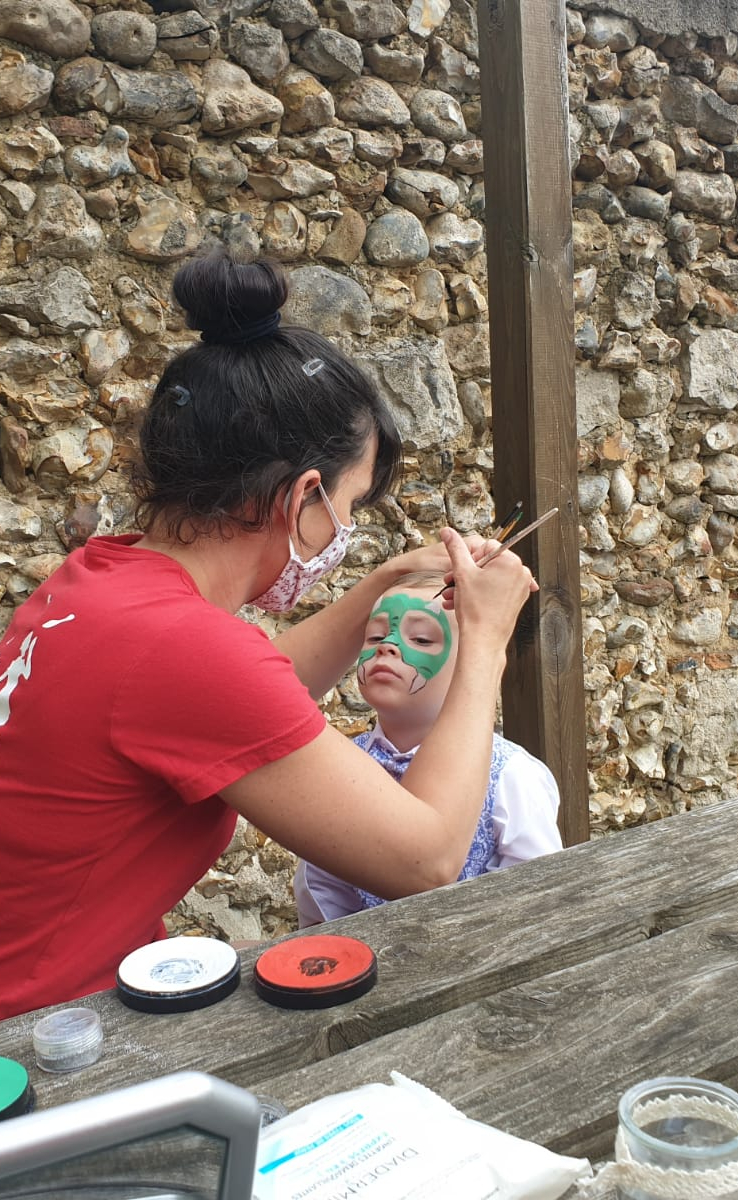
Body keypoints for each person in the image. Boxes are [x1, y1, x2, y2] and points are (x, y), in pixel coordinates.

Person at [0, 250, 536, 1020]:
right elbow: (425, 860)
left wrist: (385, 580)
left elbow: (242, 700)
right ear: (304, 495)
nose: (345, 533)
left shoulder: (100, 581)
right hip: (40, 1037)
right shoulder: (183, 649)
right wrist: (484, 639)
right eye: (350, 507)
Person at [294, 571, 562, 926]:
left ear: (472, 662)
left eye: (421, 638)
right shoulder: (338, 766)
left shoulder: (513, 775)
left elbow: (536, 897)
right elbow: (322, 891)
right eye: (375, 636)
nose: (388, 646)